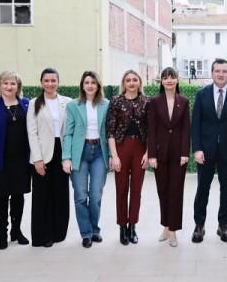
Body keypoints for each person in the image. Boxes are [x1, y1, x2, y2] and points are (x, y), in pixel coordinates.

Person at [190, 58, 227, 243]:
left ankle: (223, 225)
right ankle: (199, 225)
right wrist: (197, 149)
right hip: (205, 151)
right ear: (212, 73)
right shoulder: (202, 94)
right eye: (217, 71)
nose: (221, 74)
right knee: (202, 189)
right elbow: (195, 124)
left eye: (224, 71)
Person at [0, 70, 30, 249]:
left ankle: (16, 231)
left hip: (22, 159)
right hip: (0, 160)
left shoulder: (26, 104)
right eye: (5, 83)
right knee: (1, 196)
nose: (9, 87)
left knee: (18, 196)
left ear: (18, 86)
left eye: (13, 83)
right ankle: (2, 232)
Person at [62, 71, 110, 248]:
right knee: (81, 196)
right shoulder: (73, 105)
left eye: (93, 82)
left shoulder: (106, 104)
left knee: (95, 195)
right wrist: (66, 157)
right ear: (82, 85)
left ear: (98, 86)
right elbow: (68, 133)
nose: (90, 85)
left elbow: (110, 132)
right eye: (87, 82)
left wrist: (111, 155)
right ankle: (86, 233)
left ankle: (95, 229)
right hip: (79, 153)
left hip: (99, 152)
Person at [27, 68, 71, 247]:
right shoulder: (34, 103)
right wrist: (37, 159)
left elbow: (70, 130)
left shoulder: (67, 102)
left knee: (60, 193)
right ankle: (43, 236)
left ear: (58, 82)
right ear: (41, 82)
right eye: (46, 80)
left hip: (62, 152)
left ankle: (59, 233)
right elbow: (32, 132)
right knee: (41, 195)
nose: (50, 84)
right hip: (42, 153)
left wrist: (68, 156)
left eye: (53, 80)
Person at [147, 67, 191, 246]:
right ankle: (165, 225)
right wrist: (151, 155)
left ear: (177, 80)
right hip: (160, 153)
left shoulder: (184, 101)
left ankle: (173, 230)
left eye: (172, 77)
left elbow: (186, 128)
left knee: (175, 192)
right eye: (165, 78)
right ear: (162, 81)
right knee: (163, 192)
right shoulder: (154, 101)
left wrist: (185, 152)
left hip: (178, 154)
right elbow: (151, 129)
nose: (169, 80)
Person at [107, 70, 148, 245]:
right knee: (121, 188)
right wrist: (114, 156)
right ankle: (122, 226)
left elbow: (151, 129)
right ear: (123, 83)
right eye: (128, 80)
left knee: (136, 189)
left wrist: (148, 153)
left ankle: (133, 225)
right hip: (121, 147)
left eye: (134, 80)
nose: (131, 83)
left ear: (139, 83)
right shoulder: (116, 101)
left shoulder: (146, 101)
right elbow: (110, 130)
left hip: (140, 147)